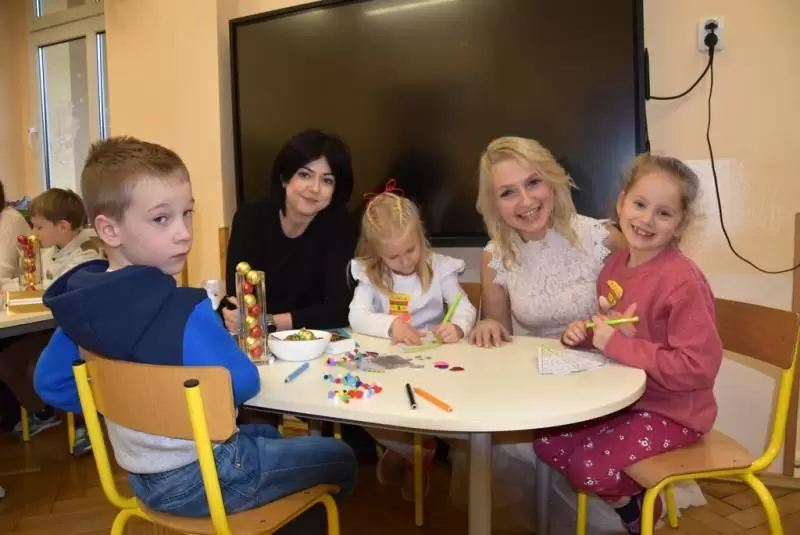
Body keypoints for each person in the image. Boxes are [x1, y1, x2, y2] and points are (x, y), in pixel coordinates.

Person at [33, 136, 357, 530]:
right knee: (339, 456)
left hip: (140, 478)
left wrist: (130, 403)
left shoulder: (82, 309)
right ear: (109, 229)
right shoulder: (186, 311)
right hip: (214, 477)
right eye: (161, 219)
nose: (184, 232)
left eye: (187, 213)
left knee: (265, 436)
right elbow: (242, 382)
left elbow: (51, 384)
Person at [535, 154, 723, 534]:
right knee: (547, 443)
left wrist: (616, 344)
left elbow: (698, 368)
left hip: (675, 414)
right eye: (640, 204)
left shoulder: (683, 282)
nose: (647, 220)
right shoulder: (614, 267)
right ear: (621, 203)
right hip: (626, 401)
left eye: (663, 213)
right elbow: (618, 330)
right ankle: (632, 496)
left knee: (589, 468)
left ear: (680, 224)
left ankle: (635, 508)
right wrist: (585, 334)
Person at [348, 186, 477, 500]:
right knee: (360, 406)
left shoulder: (439, 267)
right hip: (388, 364)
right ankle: (412, 450)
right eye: (393, 256)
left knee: (431, 406)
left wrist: (458, 327)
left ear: (421, 237)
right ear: (376, 252)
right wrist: (391, 324)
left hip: (434, 363)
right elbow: (356, 316)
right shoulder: (370, 272)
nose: (405, 261)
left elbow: (464, 306)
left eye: (411, 250)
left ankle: (410, 447)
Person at [469, 136, 626, 348]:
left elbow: (642, 316)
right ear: (494, 204)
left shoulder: (604, 239)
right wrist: (489, 326)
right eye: (508, 192)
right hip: (540, 362)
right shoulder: (495, 257)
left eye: (533, 183)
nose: (526, 201)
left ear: (552, 182)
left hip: (605, 357)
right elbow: (500, 340)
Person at [223, 129, 356, 333]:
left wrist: (271, 321)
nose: (315, 188)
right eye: (304, 175)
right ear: (285, 178)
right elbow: (239, 300)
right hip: (256, 340)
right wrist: (252, 320)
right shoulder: (250, 219)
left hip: (315, 339)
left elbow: (342, 308)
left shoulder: (340, 225)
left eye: (327, 180)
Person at [29, 188, 103, 288]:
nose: (33, 233)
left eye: (39, 227)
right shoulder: (50, 251)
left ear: (63, 227)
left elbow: (61, 287)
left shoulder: (87, 255)